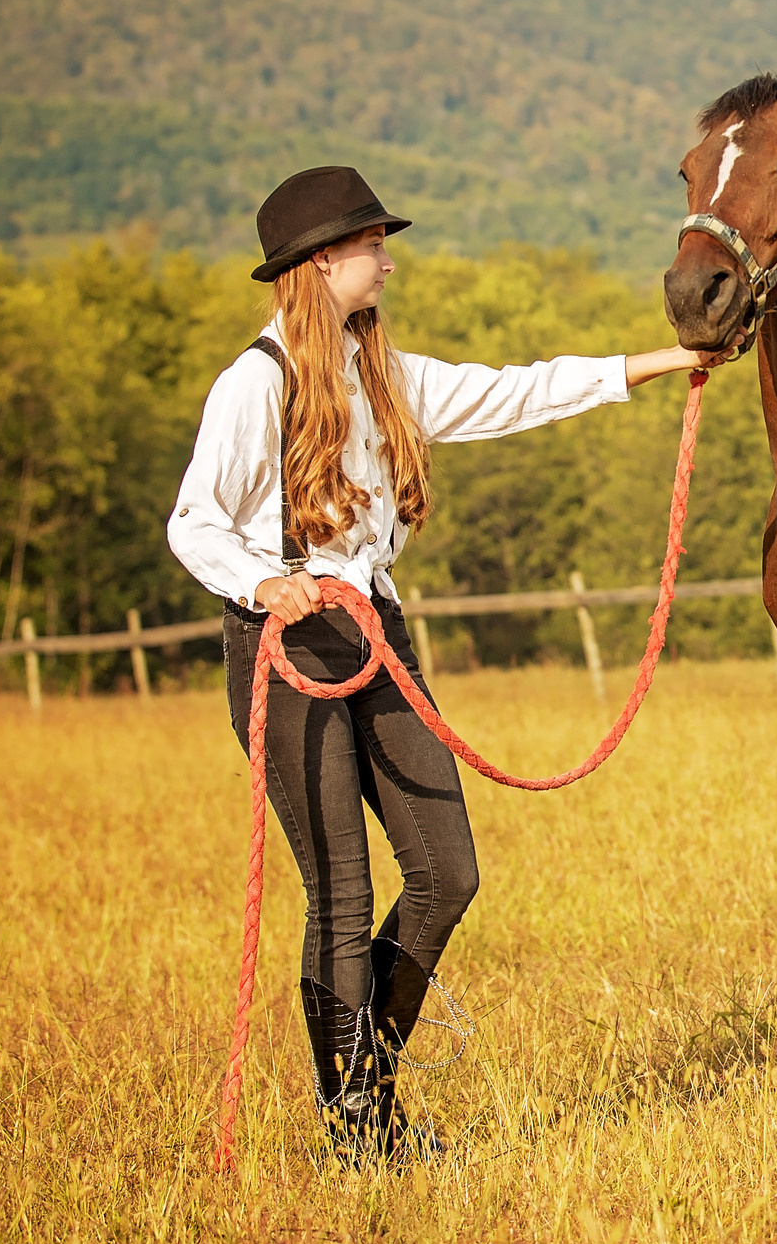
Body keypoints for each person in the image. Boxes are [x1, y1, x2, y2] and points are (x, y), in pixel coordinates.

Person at [168, 166, 718, 1163]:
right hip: (289, 647)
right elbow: (196, 521)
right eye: (370, 242)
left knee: (444, 872)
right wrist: (261, 585)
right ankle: (356, 1131)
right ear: (319, 263)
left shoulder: (389, 376)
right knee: (337, 889)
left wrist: (660, 361)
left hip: (377, 632)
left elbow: (519, 391)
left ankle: (367, 1087)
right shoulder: (254, 383)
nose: (386, 256)